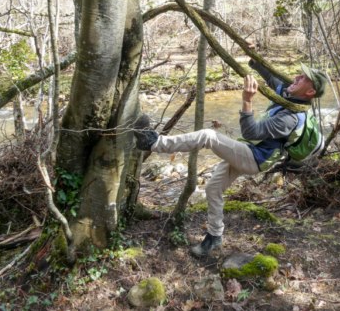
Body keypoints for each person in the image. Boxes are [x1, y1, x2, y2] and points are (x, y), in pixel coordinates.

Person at [133, 59, 328, 257]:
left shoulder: (290, 118)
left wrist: (247, 99)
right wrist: (254, 59)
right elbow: (272, 79)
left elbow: (251, 131)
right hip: (247, 150)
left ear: (310, 91)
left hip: (254, 159)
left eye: (304, 78)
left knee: (208, 136)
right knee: (213, 188)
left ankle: (153, 143)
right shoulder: (289, 97)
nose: (297, 77)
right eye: (300, 74)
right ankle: (214, 237)